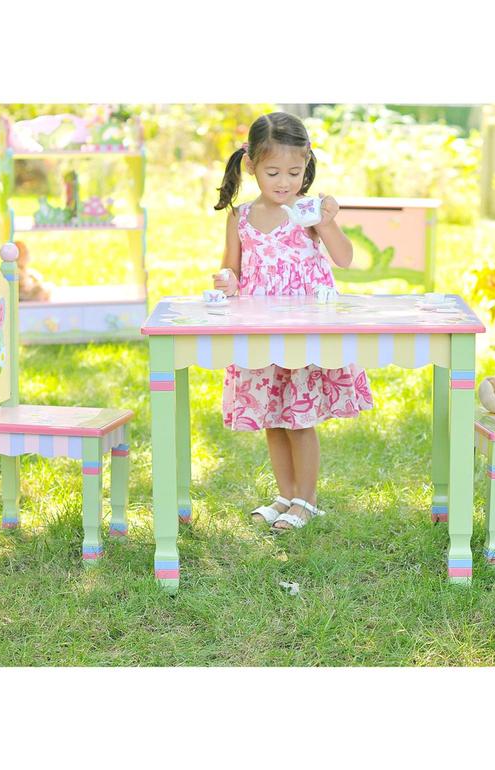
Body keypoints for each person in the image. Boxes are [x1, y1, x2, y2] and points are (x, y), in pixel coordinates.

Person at [213, 112, 373, 531]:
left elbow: (344, 259)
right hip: (261, 333)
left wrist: (327, 221)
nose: (284, 182)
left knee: (299, 419)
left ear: (307, 165)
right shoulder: (240, 218)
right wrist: (226, 280)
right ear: (251, 165)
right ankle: (285, 496)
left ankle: (306, 500)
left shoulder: (307, 211)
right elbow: (232, 270)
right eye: (273, 173)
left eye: (294, 172)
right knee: (272, 418)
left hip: (303, 333)